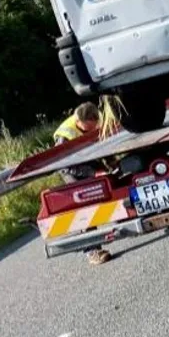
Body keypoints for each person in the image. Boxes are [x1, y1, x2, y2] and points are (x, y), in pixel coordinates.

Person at [53, 102, 111, 266]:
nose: (91, 131)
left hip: (88, 160)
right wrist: (94, 173)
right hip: (72, 169)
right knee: (83, 204)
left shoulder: (96, 121)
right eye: (87, 129)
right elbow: (65, 165)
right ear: (78, 121)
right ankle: (92, 250)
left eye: (93, 128)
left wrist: (110, 163)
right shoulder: (65, 136)